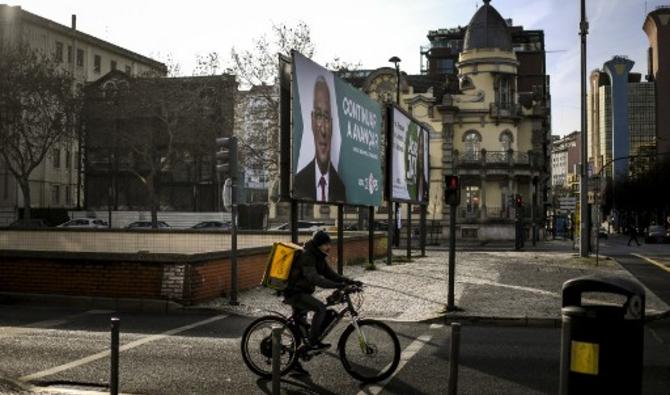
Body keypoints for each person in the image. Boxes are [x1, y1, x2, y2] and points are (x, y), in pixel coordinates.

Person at [283, 230, 360, 376]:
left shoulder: (318, 256)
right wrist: (336, 286)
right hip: (294, 292)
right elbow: (314, 278)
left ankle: (293, 363)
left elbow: (330, 274)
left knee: (300, 328)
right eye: (326, 244)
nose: (328, 247)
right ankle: (313, 343)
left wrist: (347, 281)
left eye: (329, 243)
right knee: (320, 308)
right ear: (318, 245)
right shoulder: (307, 255)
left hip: (302, 292)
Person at [293, 76, 347, 203]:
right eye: (318, 116)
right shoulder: (298, 182)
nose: (323, 131)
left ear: (333, 125)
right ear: (311, 121)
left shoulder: (340, 187)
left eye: (327, 118)